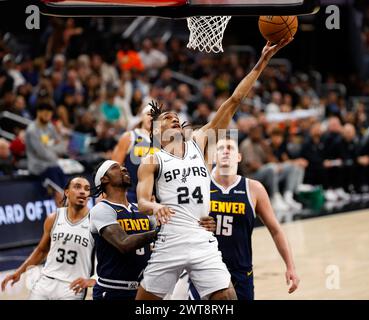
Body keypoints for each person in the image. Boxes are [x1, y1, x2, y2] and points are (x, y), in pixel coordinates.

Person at [135, 38, 293, 300]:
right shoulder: (152, 160)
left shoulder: (200, 142)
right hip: (170, 241)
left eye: (177, 117)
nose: (175, 119)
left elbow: (234, 100)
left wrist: (262, 61)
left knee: (228, 300)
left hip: (201, 239)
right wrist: (155, 207)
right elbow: (141, 201)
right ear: (156, 131)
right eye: (167, 119)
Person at [186, 136, 300, 300]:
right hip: (204, 270)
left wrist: (290, 267)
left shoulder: (254, 189)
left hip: (240, 273)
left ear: (239, 157)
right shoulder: (200, 186)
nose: (225, 151)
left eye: (230, 148)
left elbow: (276, 230)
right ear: (213, 156)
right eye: (220, 148)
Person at [1, 177, 95, 300]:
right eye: (77, 187)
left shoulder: (94, 222)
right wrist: (19, 272)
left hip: (73, 287)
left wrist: (94, 279)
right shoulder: (53, 218)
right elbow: (41, 250)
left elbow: (107, 257)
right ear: (66, 192)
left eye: (87, 189)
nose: (83, 191)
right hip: (45, 281)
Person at [111, 105, 158, 203]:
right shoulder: (129, 137)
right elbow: (113, 167)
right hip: (131, 193)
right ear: (141, 117)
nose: (152, 117)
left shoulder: (162, 141)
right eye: (149, 114)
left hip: (154, 195)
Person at [25, 102, 67, 205]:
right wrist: (52, 148)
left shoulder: (50, 127)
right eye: (44, 114)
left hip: (53, 166)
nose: (47, 116)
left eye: (49, 114)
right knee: (59, 194)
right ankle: (62, 217)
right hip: (39, 167)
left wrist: (49, 147)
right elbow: (41, 153)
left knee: (67, 191)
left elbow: (62, 147)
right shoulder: (32, 130)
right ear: (38, 113)